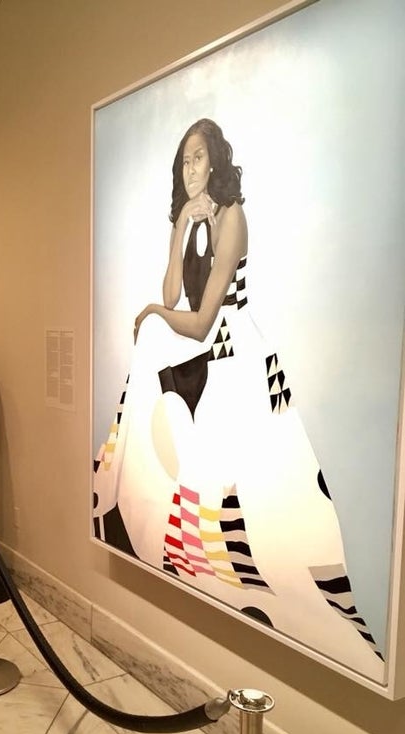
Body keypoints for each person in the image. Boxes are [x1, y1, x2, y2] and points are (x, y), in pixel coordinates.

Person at [93, 118, 383, 677]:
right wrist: (178, 226)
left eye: (199, 158)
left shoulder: (233, 219)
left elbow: (200, 323)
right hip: (204, 348)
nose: (192, 169)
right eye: (184, 162)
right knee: (165, 413)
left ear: (217, 162)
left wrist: (155, 314)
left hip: (233, 354)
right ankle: (150, 528)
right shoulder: (193, 216)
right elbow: (172, 292)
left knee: (249, 493)